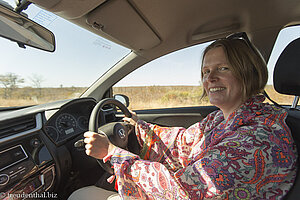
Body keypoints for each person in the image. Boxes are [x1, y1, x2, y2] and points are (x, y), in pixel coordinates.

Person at [69, 33, 298, 200]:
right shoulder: (225, 119)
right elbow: (183, 141)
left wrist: (111, 153)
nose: (210, 78)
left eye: (223, 69)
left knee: (81, 195)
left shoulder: (256, 140)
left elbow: (180, 191)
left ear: (249, 72)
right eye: (206, 72)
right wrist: (138, 127)